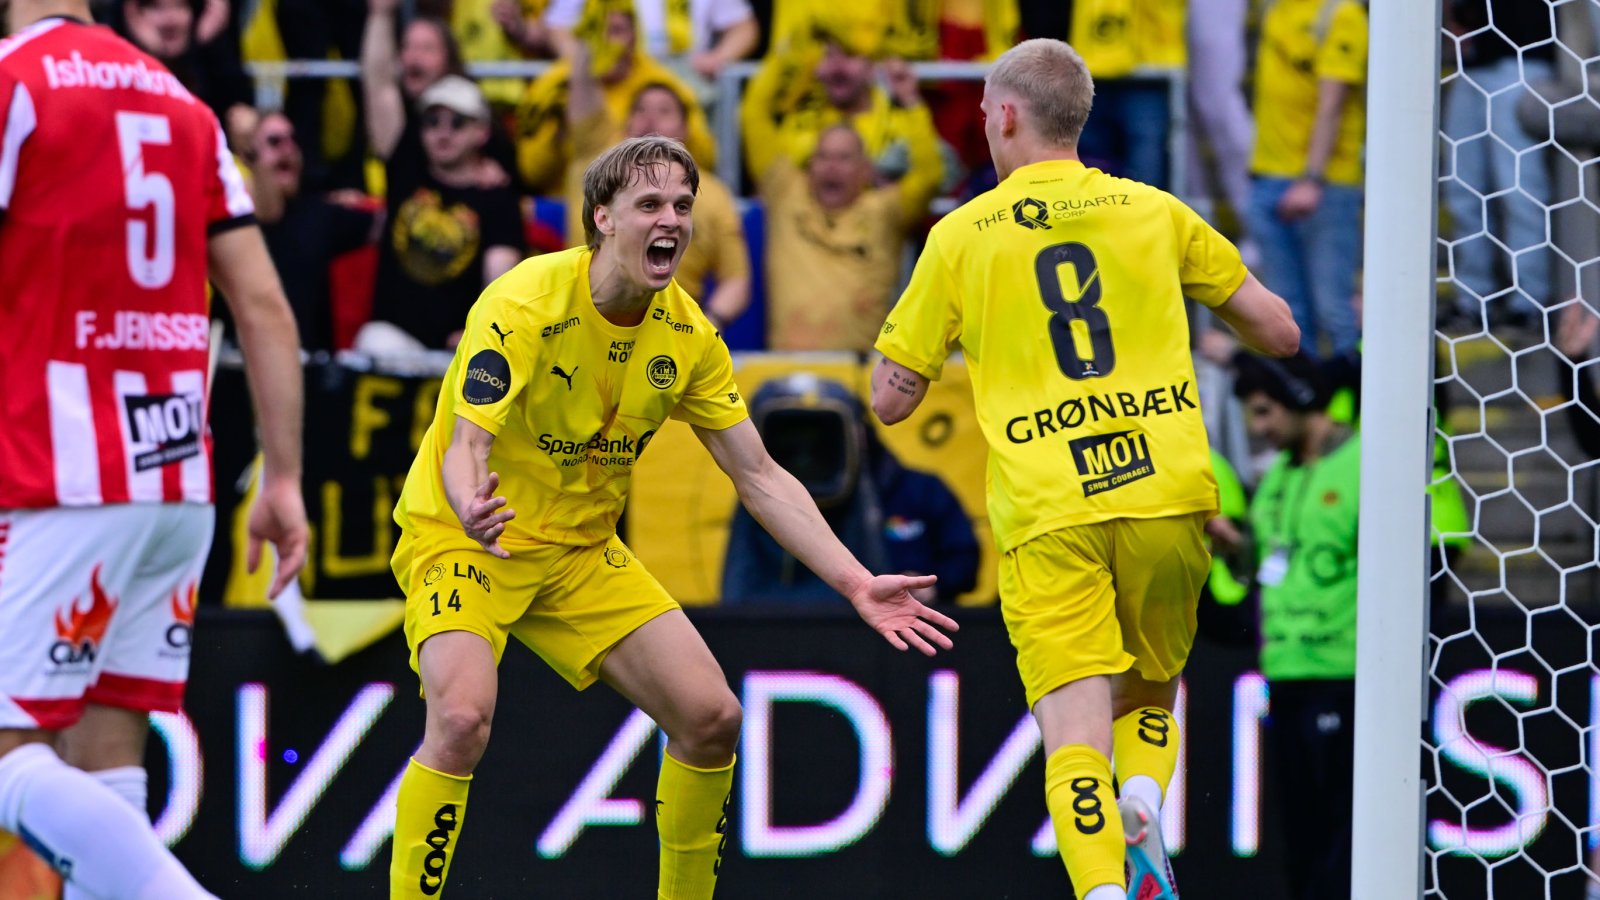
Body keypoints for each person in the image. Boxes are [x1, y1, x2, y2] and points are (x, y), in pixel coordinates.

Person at [386, 135, 957, 898]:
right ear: (602, 218)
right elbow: (465, 443)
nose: (673, 220)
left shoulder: (686, 336)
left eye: (683, 206)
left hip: (580, 550)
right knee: (460, 718)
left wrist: (854, 582)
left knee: (711, 717)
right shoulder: (524, 301)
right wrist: (470, 506)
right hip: (470, 536)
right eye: (650, 204)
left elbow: (757, 474)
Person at [870, 38, 1298, 900]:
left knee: (1072, 729)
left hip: (1050, 506)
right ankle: (1143, 793)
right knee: (1149, 693)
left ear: (1003, 115)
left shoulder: (960, 237)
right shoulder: (1155, 210)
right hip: (1165, 489)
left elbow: (890, 399)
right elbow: (1282, 333)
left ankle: (1103, 889)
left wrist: (941, 340)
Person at [0, 3, 308, 899]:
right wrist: (283, 475)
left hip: (61, 476)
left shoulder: (15, 84)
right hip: (176, 482)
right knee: (106, 764)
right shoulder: (181, 102)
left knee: (9, 758)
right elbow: (264, 306)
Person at [1225, 352, 1357, 900]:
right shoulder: (1278, 474)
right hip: (1285, 670)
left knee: (1343, 832)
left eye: (1264, 413)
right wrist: (1235, 547)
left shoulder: (1365, 463)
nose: (1259, 429)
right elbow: (1263, 568)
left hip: (1345, 675)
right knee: (1298, 833)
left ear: (1302, 400)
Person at [721, 373, 979, 604]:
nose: (806, 456)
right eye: (790, 441)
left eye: (822, 439)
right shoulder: (758, 498)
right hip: (777, 638)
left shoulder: (918, 491)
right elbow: (738, 590)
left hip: (894, 641)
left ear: (859, 432)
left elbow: (964, 559)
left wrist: (931, 585)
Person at [744, 59, 943, 351]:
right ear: (809, 166)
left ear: (865, 170)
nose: (831, 168)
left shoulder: (884, 211)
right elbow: (754, 115)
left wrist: (911, 102)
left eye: (844, 158)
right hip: (785, 370)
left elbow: (929, 175)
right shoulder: (786, 192)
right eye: (822, 157)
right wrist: (801, 59)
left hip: (858, 374)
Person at [563, 39, 750, 328]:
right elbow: (582, 96)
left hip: (671, 335)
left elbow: (736, 279)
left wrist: (705, 326)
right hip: (580, 323)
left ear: (686, 128)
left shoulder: (713, 194)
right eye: (639, 110)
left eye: (665, 111)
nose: (650, 119)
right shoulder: (592, 170)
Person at [360, 75, 527, 352]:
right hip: (395, 340)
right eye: (432, 122)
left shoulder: (499, 198)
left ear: (482, 131)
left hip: (460, 349)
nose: (443, 132)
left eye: (457, 122)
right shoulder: (406, 171)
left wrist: (478, 331)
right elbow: (378, 82)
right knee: (374, 341)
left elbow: (500, 280)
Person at [1246, 0, 1367, 358]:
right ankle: (1309, 405)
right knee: (1288, 315)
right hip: (1268, 178)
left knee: (1333, 310)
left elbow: (1333, 103)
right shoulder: (1276, 9)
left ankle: (1356, 407)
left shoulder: (1342, 14)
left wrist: (1311, 179)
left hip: (1323, 184)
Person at [514, 3, 716, 194]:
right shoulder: (554, 87)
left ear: (634, 35)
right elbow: (531, 172)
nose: (605, 40)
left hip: (654, 197)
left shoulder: (665, 86)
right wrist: (558, 136)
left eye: (616, 31)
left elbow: (705, 162)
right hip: (565, 204)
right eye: (596, 30)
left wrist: (672, 136)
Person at [1442, 0, 1555, 329]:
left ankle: (1530, 302)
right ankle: (1473, 299)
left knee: (1519, 188)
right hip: (1471, 65)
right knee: (1462, 188)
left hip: (1521, 59)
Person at [248, 110, 381, 352]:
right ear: (249, 155)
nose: (288, 148)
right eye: (275, 141)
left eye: (293, 140)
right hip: (239, 362)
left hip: (311, 365)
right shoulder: (232, 219)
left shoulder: (321, 213)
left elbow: (390, 224)